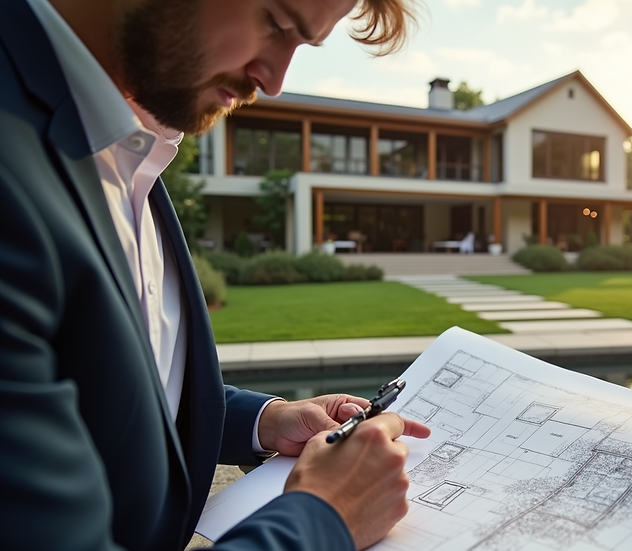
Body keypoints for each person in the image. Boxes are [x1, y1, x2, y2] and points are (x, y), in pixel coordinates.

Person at [0, 0, 429, 549]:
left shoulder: (124, 151)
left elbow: (109, 382)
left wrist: (264, 419)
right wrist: (326, 516)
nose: (273, 81)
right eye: (275, 23)